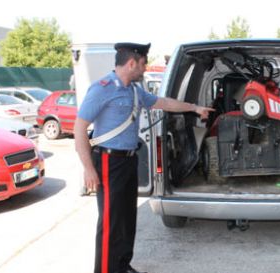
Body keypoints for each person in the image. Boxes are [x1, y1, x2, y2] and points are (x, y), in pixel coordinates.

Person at [74, 42, 213, 273]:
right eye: (143, 64)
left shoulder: (134, 91)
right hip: (109, 162)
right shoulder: (102, 88)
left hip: (129, 160)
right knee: (111, 222)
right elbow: (80, 129)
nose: (145, 68)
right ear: (131, 63)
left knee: (127, 219)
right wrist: (88, 169)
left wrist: (194, 108)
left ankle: (122, 265)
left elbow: (164, 103)